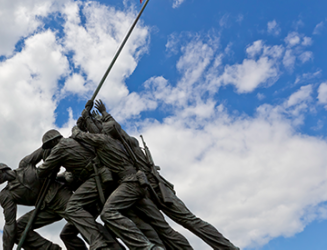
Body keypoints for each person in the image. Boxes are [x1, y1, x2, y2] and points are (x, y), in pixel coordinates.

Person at [87, 99, 240, 250]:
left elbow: (116, 129)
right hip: (144, 189)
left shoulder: (127, 142)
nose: (102, 128)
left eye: (103, 125)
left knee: (190, 221)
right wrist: (88, 119)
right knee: (164, 231)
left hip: (156, 186)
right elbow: (101, 136)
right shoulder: (113, 146)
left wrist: (104, 113)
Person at [72, 120, 193, 250]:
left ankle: (147, 248)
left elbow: (79, 135)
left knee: (108, 213)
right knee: (160, 228)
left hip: (130, 183)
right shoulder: (121, 143)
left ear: (106, 132)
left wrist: (76, 127)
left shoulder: (103, 140)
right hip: (139, 184)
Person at [37, 129, 122, 250]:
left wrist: (46, 166)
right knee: (66, 234)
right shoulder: (73, 141)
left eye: (49, 145)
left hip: (96, 178)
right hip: (94, 177)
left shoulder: (60, 148)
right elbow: (70, 172)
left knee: (72, 208)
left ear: (55, 140)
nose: (49, 148)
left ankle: (97, 241)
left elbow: (41, 171)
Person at [0, 147, 86, 250]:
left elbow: (46, 149)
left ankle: (100, 243)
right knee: (18, 228)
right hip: (45, 208)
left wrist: (51, 163)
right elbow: (9, 224)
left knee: (80, 219)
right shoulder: (6, 194)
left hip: (59, 196)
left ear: (1, 171)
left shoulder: (25, 165)